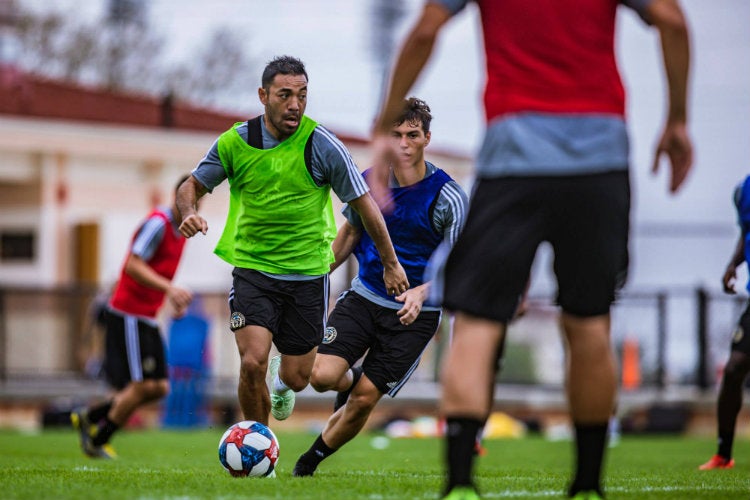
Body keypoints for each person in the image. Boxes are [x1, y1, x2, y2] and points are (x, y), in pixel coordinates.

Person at [368, 1, 693, 499]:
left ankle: (459, 484)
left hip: (513, 157)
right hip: (601, 157)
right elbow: (671, 20)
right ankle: (587, 486)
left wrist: (383, 124)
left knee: (476, 320)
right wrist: (676, 119)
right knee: (588, 320)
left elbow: (424, 31)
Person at [176, 55, 409, 427]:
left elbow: (366, 206)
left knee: (301, 378)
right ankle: (259, 446)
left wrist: (391, 262)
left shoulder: (322, 145)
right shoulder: (236, 143)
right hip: (253, 270)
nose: (295, 105)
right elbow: (192, 185)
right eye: (285, 95)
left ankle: (282, 381)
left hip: (306, 276)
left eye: (302, 95)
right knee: (252, 361)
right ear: (263, 95)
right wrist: (189, 213)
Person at [292, 97, 468, 477]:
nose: (404, 144)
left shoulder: (448, 196)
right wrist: (309, 276)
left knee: (363, 400)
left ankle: (308, 463)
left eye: (412, 135)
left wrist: (423, 293)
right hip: (364, 297)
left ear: (426, 138)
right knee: (321, 378)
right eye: (396, 135)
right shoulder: (369, 183)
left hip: (415, 316)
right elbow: (349, 235)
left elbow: (462, 264)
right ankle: (356, 374)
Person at [71, 174, 194, 459]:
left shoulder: (182, 231)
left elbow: (159, 272)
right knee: (140, 387)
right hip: (128, 313)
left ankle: (89, 417)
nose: (194, 203)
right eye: (190, 196)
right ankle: (97, 439)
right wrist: (170, 289)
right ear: (178, 197)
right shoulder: (158, 224)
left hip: (147, 316)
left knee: (159, 387)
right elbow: (132, 265)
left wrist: (172, 299)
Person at [699, 174, 750, 471]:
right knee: (734, 368)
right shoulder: (744, 190)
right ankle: (723, 454)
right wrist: (733, 264)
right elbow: (746, 233)